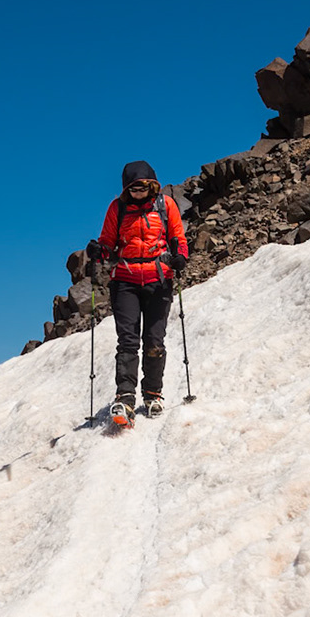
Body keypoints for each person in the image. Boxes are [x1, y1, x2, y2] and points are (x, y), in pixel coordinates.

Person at [85, 160, 188, 425]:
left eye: (143, 187)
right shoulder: (117, 208)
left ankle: (153, 393)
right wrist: (98, 251)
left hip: (158, 279)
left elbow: (178, 238)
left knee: (154, 340)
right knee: (128, 341)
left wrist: (180, 257)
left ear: (152, 185)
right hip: (125, 281)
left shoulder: (166, 205)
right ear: (126, 189)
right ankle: (125, 396)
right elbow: (108, 243)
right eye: (133, 188)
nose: (139, 192)